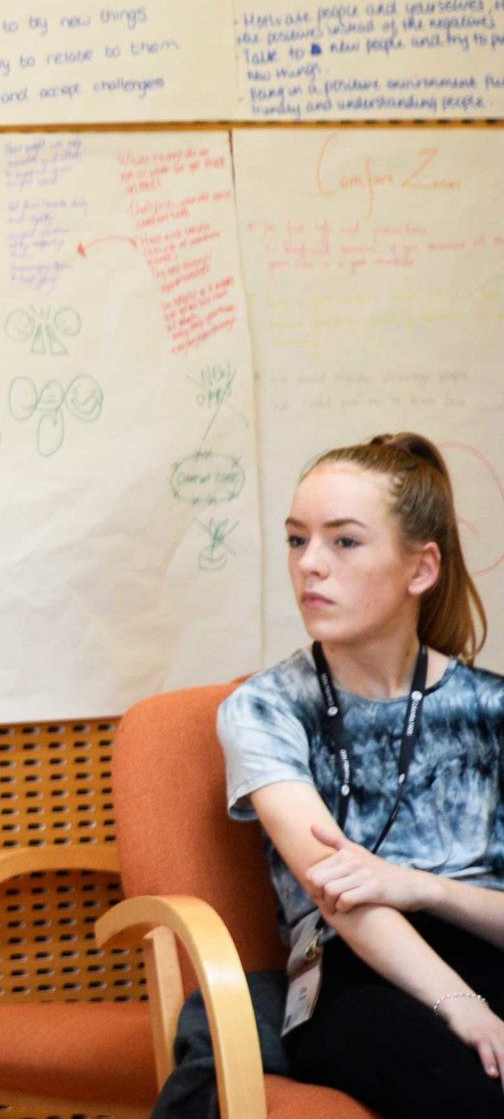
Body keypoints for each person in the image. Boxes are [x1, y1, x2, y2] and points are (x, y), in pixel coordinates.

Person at [218, 432, 504, 1115]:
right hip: (350, 973)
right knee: (468, 1093)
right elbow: (341, 895)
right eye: (296, 539)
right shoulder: (264, 708)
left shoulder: (491, 707)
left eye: (344, 541)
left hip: (483, 948)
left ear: (420, 568)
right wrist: (463, 1005)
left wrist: (421, 887)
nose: (310, 564)